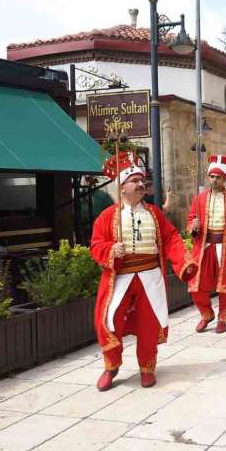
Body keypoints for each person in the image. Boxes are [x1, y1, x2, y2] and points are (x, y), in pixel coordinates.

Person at [91, 152, 197, 391]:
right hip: (119, 279)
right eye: (134, 181)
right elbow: (95, 245)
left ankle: (147, 367)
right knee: (111, 321)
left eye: (142, 181)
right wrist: (110, 250)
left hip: (149, 277)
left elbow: (171, 239)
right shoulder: (107, 217)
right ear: (122, 188)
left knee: (149, 324)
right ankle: (111, 365)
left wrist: (184, 263)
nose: (141, 185)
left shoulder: (154, 214)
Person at [186, 155, 226, 335]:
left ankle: (223, 319)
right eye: (212, 177)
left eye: (218, 177)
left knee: (225, 286)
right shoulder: (199, 198)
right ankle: (206, 314)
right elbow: (191, 219)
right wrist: (193, 226)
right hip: (204, 247)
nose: (214, 180)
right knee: (195, 285)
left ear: (225, 179)